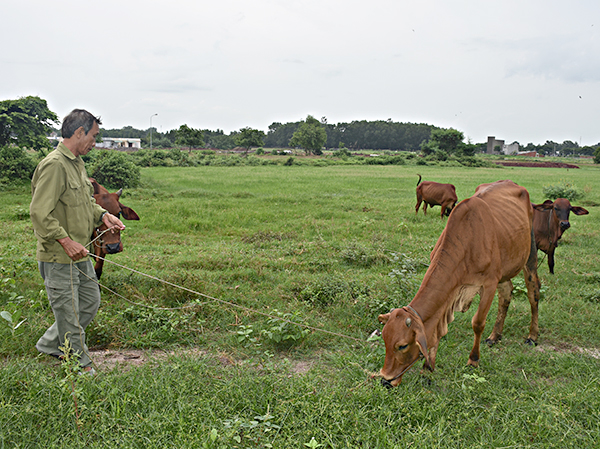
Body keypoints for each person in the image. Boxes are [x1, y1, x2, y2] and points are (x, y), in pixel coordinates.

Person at [30, 109, 125, 374]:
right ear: (79, 132)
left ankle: (51, 343)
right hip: (60, 256)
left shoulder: (77, 164)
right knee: (69, 312)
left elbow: (85, 204)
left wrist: (104, 216)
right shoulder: (54, 165)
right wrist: (65, 241)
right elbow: (40, 212)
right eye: (93, 136)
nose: (95, 142)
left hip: (81, 253)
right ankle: (79, 364)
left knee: (89, 301)